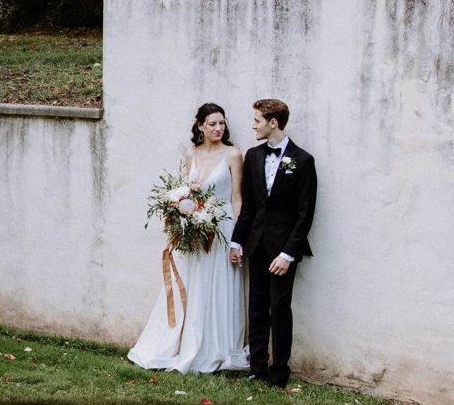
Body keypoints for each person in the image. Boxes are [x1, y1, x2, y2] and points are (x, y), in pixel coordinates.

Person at [128, 103, 250, 374]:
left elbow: (237, 198)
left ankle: (217, 346)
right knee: (194, 285)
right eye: (212, 124)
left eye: (222, 123)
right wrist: (181, 221)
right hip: (195, 232)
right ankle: (185, 342)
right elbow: (185, 193)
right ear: (200, 126)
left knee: (218, 285)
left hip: (223, 229)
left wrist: (237, 240)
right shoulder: (191, 154)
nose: (218, 128)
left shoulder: (233, 154)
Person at [230, 98, 316, 388]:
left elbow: (305, 215)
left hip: (283, 252)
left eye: (257, 120)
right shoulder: (254, 156)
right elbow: (250, 206)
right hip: (256, 246)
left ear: (273, 123)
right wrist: (236, 242)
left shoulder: (303, 161)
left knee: (279, 309)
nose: (253, 125)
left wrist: (288, 254)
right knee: (257, 307)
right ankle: (257, 368)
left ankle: (279, 373)